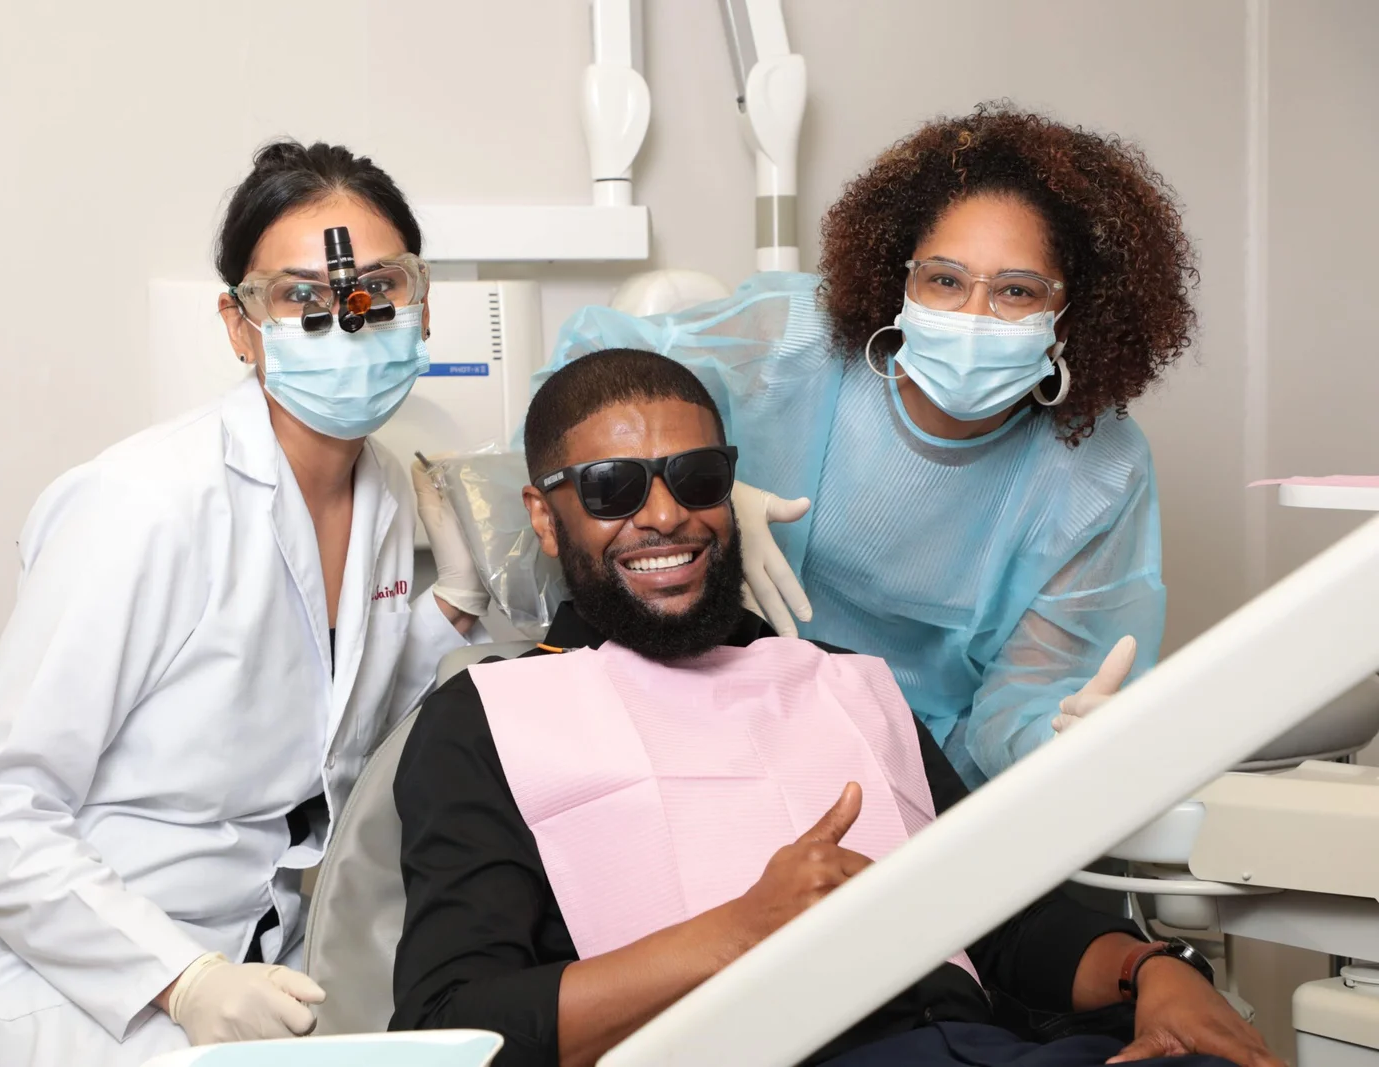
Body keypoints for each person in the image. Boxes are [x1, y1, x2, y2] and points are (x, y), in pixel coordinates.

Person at [391, 349, 1276, 1067]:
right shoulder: (489, 718)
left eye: (696, 477)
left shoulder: (846, 681)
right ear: (545, 519)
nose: (664, 514)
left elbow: (997, 918)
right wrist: (741, 932)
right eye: (612, 487)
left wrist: (1153, 969)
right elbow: (451, 1025)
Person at [0, 140, 491, 1067]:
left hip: (263, 956)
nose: (348, 321)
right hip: (74, 976)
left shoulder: (377, 490)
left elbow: (329, 724)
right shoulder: (145, 504)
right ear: (240, 324)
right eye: (301, 297)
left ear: (420, 301)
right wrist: (185, 978)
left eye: (379, 285)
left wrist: (453, 601)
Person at [531, 104, 1196, 786]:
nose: (971, 314)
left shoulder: (1098, 470)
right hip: (721, 712)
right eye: (944, 279)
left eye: (1016, 292)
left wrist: (1062, 739)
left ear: (1069, 318)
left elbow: (1027, 700)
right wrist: (712, 491)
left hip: (920, 766)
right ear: (898, 281)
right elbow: (579, 387)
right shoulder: (792, 344)